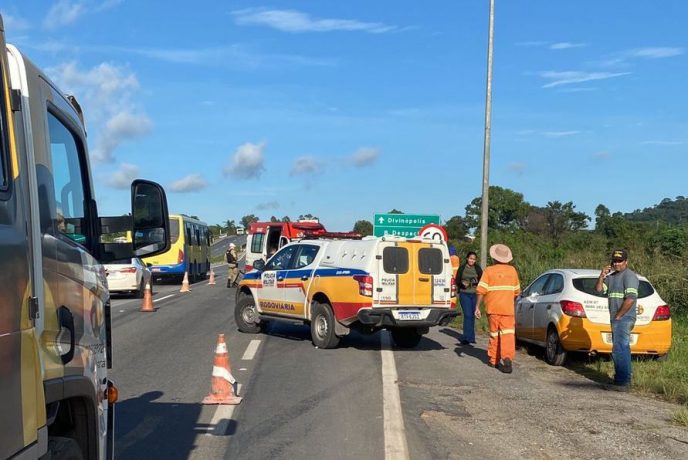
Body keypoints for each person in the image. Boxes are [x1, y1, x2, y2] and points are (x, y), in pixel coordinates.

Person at [595, 248, 639, 390]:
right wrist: (602, 276)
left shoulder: (629, 276)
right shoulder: (612, 277)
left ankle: (623, 382)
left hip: (624, 318)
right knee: (619, 347)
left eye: (620, 261)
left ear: (626, 262)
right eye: (615, 261)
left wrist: (619, 316)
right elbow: (599, 290)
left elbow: (631, 298)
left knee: (620, 348)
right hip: (616, 318)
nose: (617, 263)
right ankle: (621, 379)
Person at [475, 244, 521, 373]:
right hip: (508, 310)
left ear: (494, 258)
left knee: (494, 334)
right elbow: (517, 292)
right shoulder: (512, 271)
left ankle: (493, 360)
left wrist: (477, 307)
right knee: (508, 335)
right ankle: (507, 358)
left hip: (493, 309)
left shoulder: (489, 271)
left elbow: (481, 290)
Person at [456, 251, 482, 345]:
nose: (472, 260)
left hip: (474, 294)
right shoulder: (462, 268)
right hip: (464, 294)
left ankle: (471, 337)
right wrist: (462, 285)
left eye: (474, 259)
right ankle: (466, 337)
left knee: (472, 315)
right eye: (470, 258)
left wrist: (476, 284)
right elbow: (457, 280)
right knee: (467, 315)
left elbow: (482, 280)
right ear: (467, 258)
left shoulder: (477, 268)